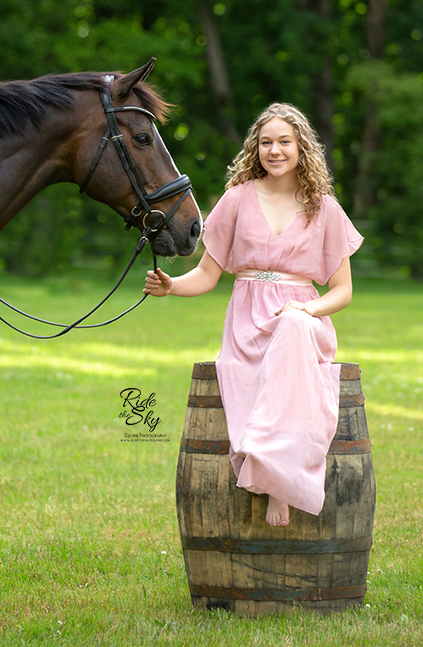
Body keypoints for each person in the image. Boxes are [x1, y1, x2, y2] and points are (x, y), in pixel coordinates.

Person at [144, 103, 363, 528]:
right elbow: (208, 275)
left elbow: (343, 291)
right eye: (266, 142)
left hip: (302, 317)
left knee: (295, 326)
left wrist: (305, 307)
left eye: (284, 141)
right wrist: (172, 285)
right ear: (255, 148)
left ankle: (278, 481)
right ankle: (271, 474)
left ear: (302, 147)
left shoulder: (323, 206)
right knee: (256, 368)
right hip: (249, 321)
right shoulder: (237, 199)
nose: (275, 150)